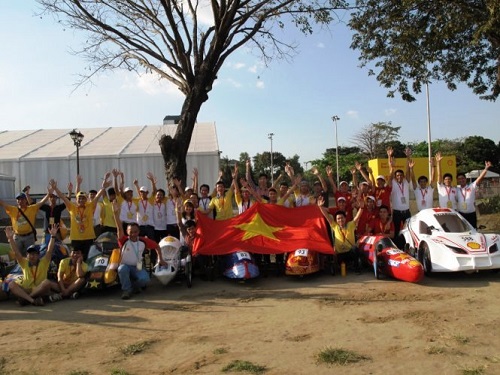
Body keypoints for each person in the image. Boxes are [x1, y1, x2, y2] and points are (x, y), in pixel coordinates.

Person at [112, 201, 165, 300]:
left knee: (145, 279)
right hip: (125, 266)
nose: (133, 234)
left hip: (138, 266)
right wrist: (115, 214)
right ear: (127, 232)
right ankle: (126, 290)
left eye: (135, 232)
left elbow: (157, 246)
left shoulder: (143, 241)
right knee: (122, 269)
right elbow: (119, 228)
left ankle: (133, 287)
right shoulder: (123, 240)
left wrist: (160, 259)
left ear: (139, 232)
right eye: (131, 232)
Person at [51, 174, 111, 259]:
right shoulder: (72, 207)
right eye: (79, 198)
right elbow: (63, 197)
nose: (81, 200)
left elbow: (97, 197)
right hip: (76, 238)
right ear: (77, 199)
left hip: (88, 238)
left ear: (86, 199)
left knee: (87, 258)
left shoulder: (90, 207)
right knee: (75, 258)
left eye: (83, 198)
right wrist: (55, 188)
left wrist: (103, 187)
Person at [5, 225, 59, 306]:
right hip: (27, 289)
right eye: (30, 254)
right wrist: (11, 239)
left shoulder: (44, 262)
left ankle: (26, 299)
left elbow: (49, 251)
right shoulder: (24, 262)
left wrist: (53, 236)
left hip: (40, 289)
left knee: (47, 283)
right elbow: (16, 252)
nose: (32, 256)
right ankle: (32, 300)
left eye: (34, 254)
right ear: (27, 255)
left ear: (38, 255)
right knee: (11, 284)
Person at [318, 195, 364, 273]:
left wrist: (362, 208)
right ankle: (342, 266)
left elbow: (357, 216)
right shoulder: (335, 226)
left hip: (349, 253)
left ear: (345, 219)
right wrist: (320, 207)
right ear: (336, 220)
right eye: (338, 218)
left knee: (355, 249)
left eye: (342, 218)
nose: (340, 220)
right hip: (340, 254)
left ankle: (357, 268)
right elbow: (327, 216)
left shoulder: (350, 225)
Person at [0, 189, 50, 255]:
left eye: (22, 199)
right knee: (16, 255)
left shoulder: (32, 209)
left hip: (29, 237)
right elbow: (3, 203)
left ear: (26, 200)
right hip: (17, 237)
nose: (20, 201)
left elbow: (41, 203)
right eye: (18, 199)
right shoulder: (13, 209)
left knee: (30, 255)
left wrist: (49, 194)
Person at [456, 161, 492, 229]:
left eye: (462, 178)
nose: (461, 180)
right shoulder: (456, 189)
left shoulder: (471, 186)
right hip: (461, 214)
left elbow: (480, 178)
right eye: (459, 179)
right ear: (457, 180)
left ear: (465, 179)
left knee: (473, 230)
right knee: (463, 231)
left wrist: (486, 168)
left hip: (471, 214)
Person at [387, 147, 412, 245]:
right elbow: (391, 169)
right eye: (397, 175)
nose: (399, 177)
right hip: (396, 212)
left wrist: (408, 157)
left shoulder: (406, 182)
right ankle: (397, 246)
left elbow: (408, 169)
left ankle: (408, 246)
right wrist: (389, 156)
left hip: (406, 212)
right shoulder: (393, 182)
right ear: (395, 177)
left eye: (401, 175)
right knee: (397, 230)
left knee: (408, 230)